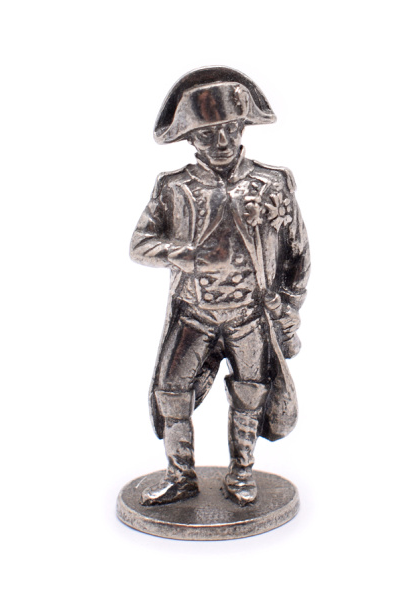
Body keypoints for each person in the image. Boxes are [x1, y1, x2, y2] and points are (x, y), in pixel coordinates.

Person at [130, 67, 310, 506]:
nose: (222, 141)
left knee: (252, 391)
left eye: (230, 129)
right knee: (171, 392)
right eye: (208, 134)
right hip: (194, 314)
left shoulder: (272, 183)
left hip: (250, 315)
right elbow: (140, 245)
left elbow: (298, 251)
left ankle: (242, 473)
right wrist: (182, 254)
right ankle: (180, 476)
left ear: (243, 127)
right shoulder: (173, 188)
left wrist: (290, 306)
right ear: (191, 140)